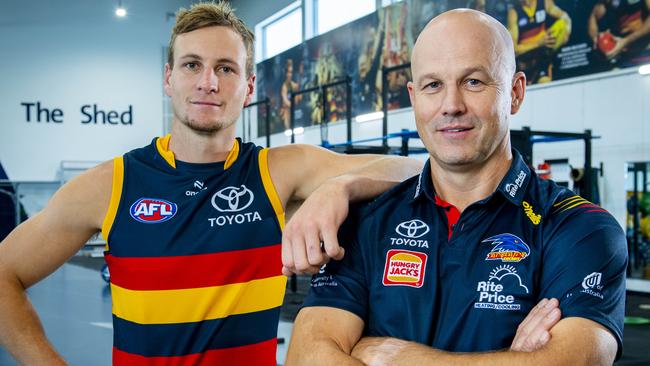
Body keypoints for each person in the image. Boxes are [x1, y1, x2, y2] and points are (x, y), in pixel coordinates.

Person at [0, 2, 422, 365]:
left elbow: (410, 168)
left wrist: (341, 186)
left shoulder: (277, 172)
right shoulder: (111, 184)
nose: (208, 82)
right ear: (168, 78)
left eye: (226, 68)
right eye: (191, 65)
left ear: (249, 85)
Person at [287, 8, 626, 366]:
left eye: (473, 82)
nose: (452, 105)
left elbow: (574, 361)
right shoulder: (366, 223)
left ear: (515, 93)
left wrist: (396, 358)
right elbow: (306, 357)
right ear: (414, 97)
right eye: (433, 85)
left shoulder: (580, 229)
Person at [507, 0, 572, 83]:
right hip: (525, 63)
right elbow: (514, 50)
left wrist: (566, 32)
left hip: (542, 59)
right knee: (524, 92)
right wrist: (538, 43)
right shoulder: (514, 13)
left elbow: (565, 19)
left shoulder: (544, 2)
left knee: (545, 83)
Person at [588, 0, 650, 65]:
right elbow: (594, 16)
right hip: (627, 57)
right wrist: (596, 39)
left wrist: (626, 40)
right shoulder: (604, 5)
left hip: (647, 50)